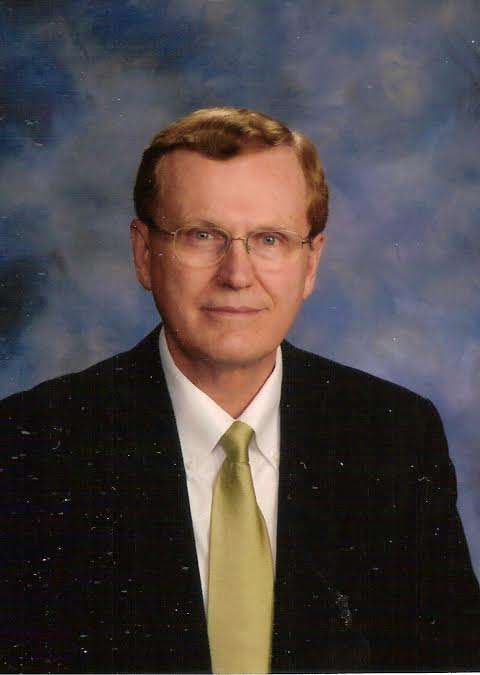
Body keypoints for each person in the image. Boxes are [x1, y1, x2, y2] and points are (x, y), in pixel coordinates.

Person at [1, 106, 479, 674]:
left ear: (310, 263)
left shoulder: (394, 436)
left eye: (269, 239)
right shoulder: (33, 443)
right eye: (201, 235)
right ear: (144, 254)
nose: (237, 274)